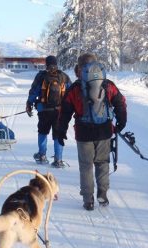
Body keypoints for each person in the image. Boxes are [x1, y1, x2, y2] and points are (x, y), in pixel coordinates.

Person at [58, 53, 127, 211]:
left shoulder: (75, 88)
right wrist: (121, 123)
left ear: (79, 69)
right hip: (104, 130)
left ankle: (88, 199)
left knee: (86, 166)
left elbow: (65, 111)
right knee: (102, 163)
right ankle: (102, 193)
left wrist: (61, 131)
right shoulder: (107, 85)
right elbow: (120, 103)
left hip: (83, 133)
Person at [26, 55, 72, 168]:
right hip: (59, 112)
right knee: (58, 134)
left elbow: (34, 91)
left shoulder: (41, 76)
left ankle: (42, 155)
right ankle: (58, 160)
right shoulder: (64, 77)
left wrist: (29, 104)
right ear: (56, 64)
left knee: (42, 132)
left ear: (46, 64)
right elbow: (70, 93)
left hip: (44, 110)